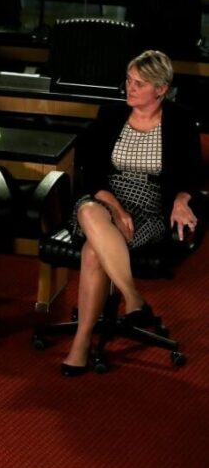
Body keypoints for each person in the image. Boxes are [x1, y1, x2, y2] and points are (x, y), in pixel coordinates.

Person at [61, 50, 201, 376]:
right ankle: (132, 296)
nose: (130, 88)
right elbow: (91, 172)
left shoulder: (180, 121)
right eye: (128, 80)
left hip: (150, 208)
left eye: (139, 83)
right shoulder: (110, 115)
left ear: (161, 89)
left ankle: (80, 344)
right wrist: (115, 206)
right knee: (90, 213)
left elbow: (192, 175)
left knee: (94, 251)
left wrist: (182, 199)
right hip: (104, 197)